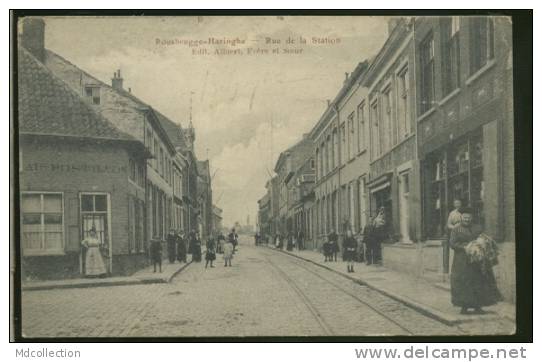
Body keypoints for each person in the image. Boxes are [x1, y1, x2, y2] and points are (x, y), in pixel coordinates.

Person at [449, 207, 502, 314]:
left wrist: (481, 243)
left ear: (471, 218)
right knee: (464, 282)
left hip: (477, 261)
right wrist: (465, 247)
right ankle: (464, 307)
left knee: (478, 282)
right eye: (464, 217)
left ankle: (478, 306)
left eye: (468, 217)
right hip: (462, 261)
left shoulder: (478, 228)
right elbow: (452, 244)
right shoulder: (456, 229)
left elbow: (484, 239)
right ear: (461, 217)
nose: (466, 219)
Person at [445, 199, 463, 272]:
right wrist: (454, 227)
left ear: (461, 204)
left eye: (458, 203)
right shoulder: (452, 213)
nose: (457, 204)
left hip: (463, 231)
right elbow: (448, 224)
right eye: (455, 203)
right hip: (455, 231)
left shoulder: (463, 212)